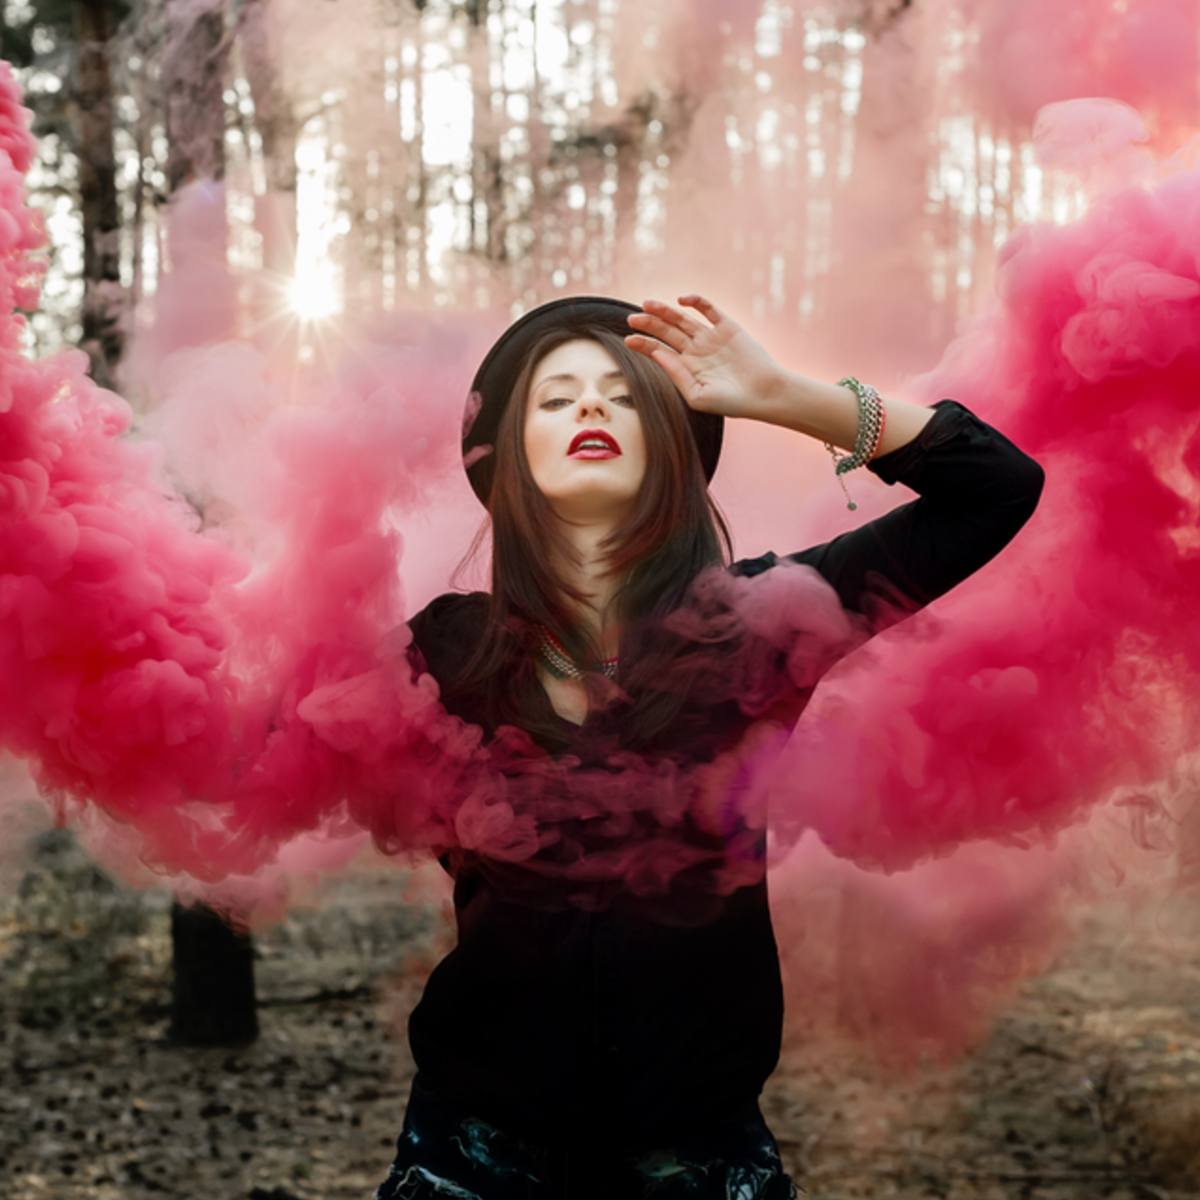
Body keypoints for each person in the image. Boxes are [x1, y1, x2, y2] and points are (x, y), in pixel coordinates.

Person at [371, 293, 1045, 1199]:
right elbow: (238, 738)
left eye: (622, 391)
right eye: (555, 397)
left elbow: (997, 487)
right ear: (510, 460)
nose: (591, 408)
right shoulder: (442, 650)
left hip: (697, 1155)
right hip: (473, 1156)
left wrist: (782, 394)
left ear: (671, 442)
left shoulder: (760, 624)